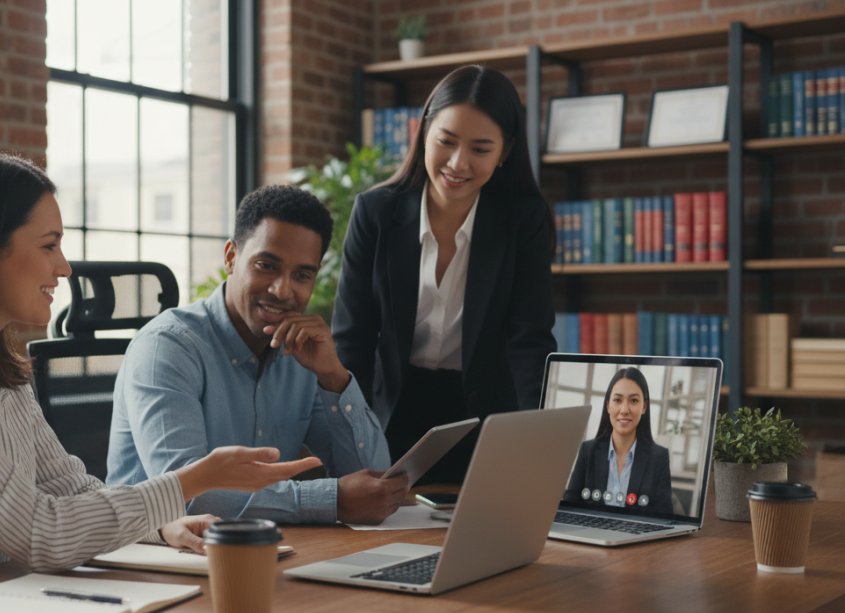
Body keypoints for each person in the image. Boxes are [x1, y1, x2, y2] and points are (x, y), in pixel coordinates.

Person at [0, 153, 320, 595]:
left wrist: (163, 526)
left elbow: (68, 491)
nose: (65, 267)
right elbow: (37, 533)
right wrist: (194, 479)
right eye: (49, 245)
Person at [107, 184, 407, 525]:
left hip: (259, 550)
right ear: (231, 258)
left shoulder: (301, 353)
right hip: (154, 559)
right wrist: (332, 500)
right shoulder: (167, 348)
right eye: (266, 265)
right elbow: (185, 494)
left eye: (302, 275)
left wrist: (334, 377)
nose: (282, 290)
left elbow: (374, 483)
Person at [331, 64, 556, 484]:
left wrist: (539, 441)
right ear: (423, 132)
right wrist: (351, 441)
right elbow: (352, 339)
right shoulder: (375, 212)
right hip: (391, 416)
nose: (458, 163)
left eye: (480, 148)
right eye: (447, 142)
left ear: (505, 151)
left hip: (487, 420)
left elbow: (530, 341)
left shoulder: (523, 221)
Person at [564, 367, 673, 515]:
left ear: (644, 407)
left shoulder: (659, 457)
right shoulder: (587, 451)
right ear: (608, 405)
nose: (624, 409)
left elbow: (664, 517)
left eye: (634, 401)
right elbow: (569, 508)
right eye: (617, 400)